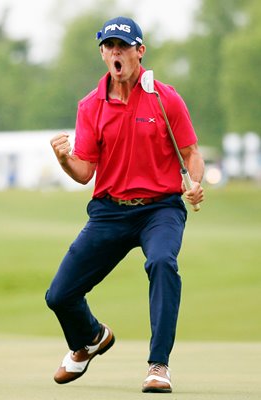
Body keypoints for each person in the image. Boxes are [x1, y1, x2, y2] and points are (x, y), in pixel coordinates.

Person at [46, 16, 204, 393]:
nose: (116, 53)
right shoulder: (90, 106)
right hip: (110, 211)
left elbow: (191, 152)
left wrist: (194, 182)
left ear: (140, 52)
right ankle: (91, 339)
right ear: (102, 53)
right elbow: (85, 172)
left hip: (160, 208)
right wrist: (64, 159)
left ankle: (158, 365)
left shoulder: (165, 98)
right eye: (110, 46)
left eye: (124, 46)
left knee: (162, 262)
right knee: (59, 295)